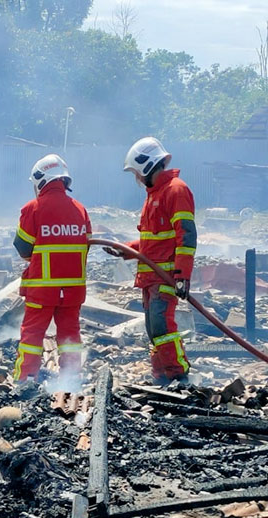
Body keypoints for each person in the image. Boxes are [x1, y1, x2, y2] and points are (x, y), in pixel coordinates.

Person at [105, 137, 196, 383]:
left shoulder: (176, 190)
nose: (136, 178)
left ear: (146, 166)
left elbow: (186, 236)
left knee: (162, 329)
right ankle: (161, 377)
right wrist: (126, 249)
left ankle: (179, 377)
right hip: (150, 277)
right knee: (153, 330)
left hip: (166, 275)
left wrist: (182, 276)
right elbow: (153, 241)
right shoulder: (154, 194)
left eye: (136, 172)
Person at [12, 153, 91, 384]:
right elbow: (86, 246)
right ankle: (71, 379)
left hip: (42, 291)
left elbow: (23, 248)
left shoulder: (33, 208)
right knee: (70, 336)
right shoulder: (80, 210)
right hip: (73, 291)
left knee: (32, 336)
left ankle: (25, 379)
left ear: (40, 179)